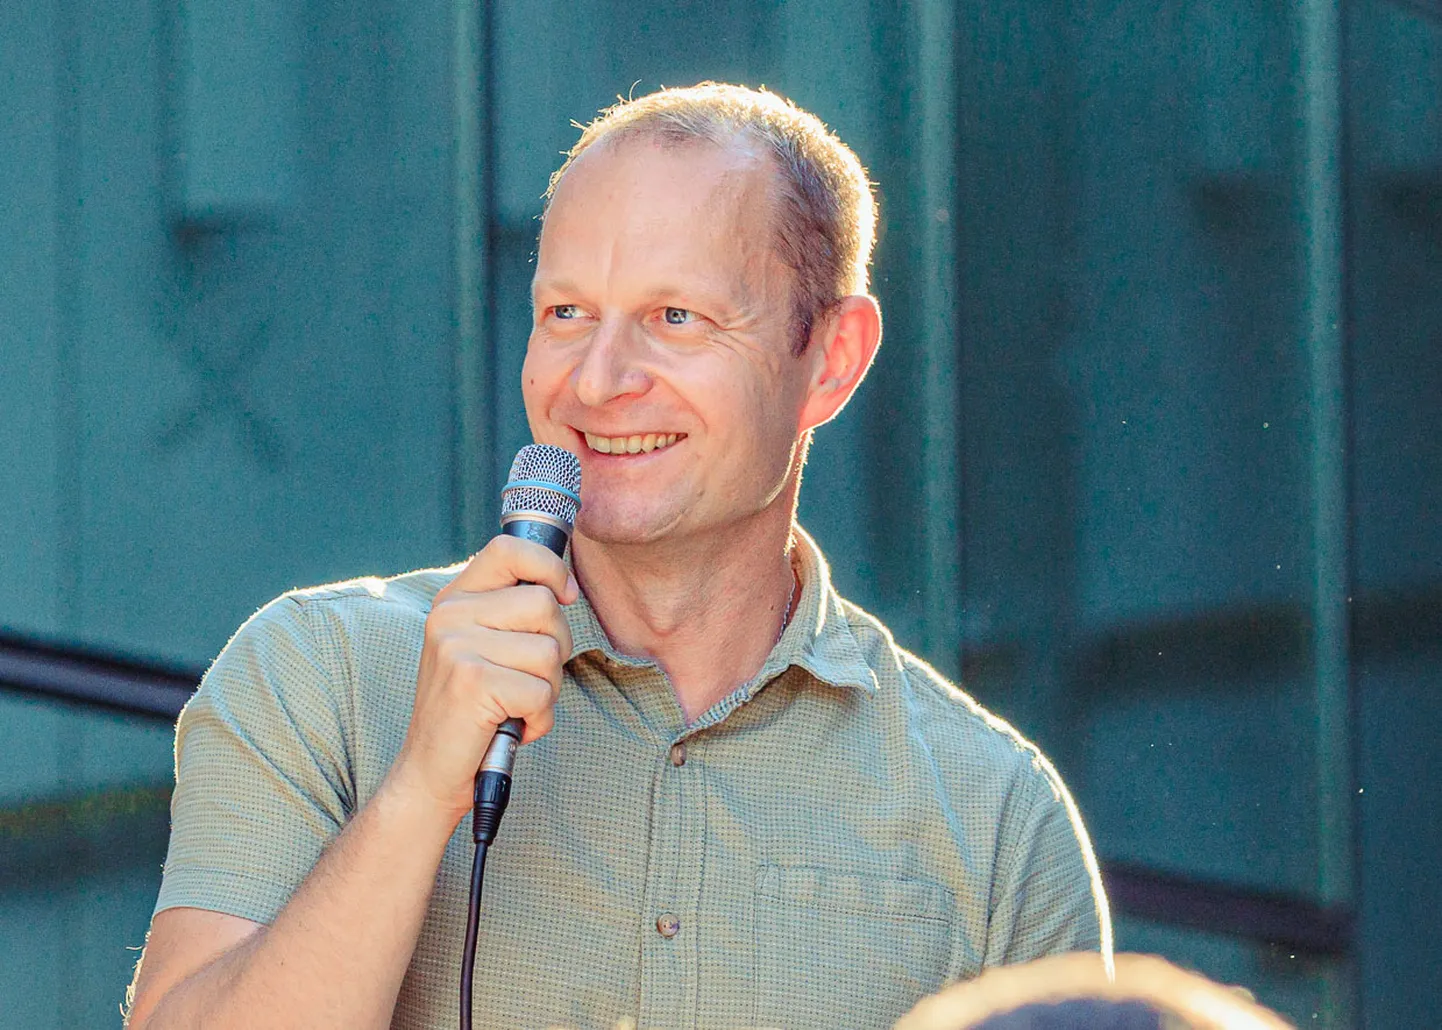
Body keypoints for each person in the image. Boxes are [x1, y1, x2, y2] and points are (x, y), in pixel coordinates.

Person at [125, 82, 1110, 1030]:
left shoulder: (996, 822)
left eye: (675, 318)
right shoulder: (317, 675)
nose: (596, 382)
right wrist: (419, 791)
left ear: (831, 359)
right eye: (566, 314)